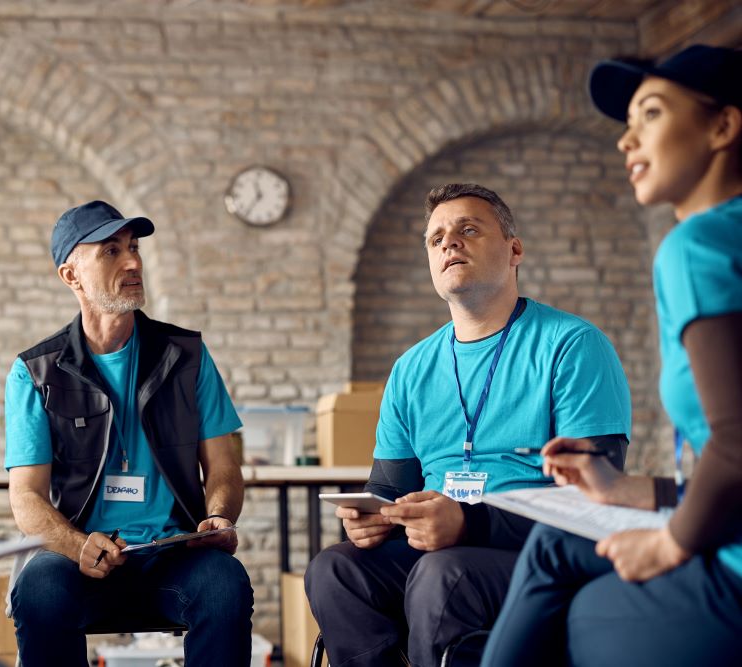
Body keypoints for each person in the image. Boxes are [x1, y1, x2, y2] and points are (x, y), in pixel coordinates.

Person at [481, 44, 742, 667]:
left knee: (583, 614)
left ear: (723, 126)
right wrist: (630, 488)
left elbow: (737, 440)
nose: (627, 140)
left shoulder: (698, 245)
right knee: (553, 547)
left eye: (651, 113)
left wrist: (669, 545)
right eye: (627, 123)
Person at [304, 183, 633, 667]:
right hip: (436, 554)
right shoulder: (411, 369)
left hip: (536, 552)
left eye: (469, 230)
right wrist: (372, 517)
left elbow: (594, 498)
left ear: (514, 250)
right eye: (436, 238)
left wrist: (468, 522)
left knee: (443, 574)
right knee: (335, 570)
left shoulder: (573, 346)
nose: (449, 243)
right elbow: (389, 486)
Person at [5, 200, 253, 667]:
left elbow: (223, 467)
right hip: (81, 554)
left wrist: (218, 516)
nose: (133, 262)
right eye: (111, 251)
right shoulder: (34, 371)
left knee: (225, 585)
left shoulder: (187, 355)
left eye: (134, 248)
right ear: (72, 276)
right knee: (39, 588)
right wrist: (77, 545)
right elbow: (26, 497)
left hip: (173, 552)